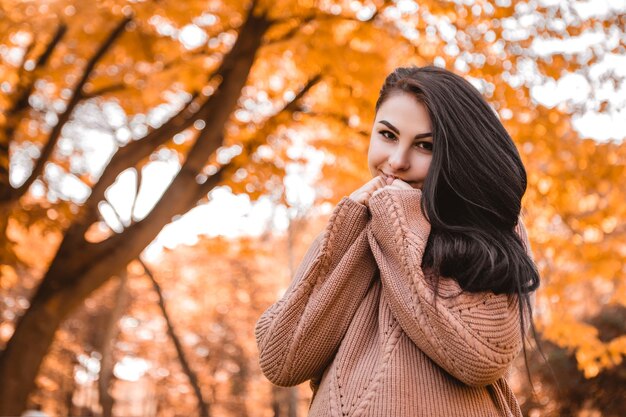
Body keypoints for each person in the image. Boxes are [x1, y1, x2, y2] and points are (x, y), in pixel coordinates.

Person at [255, 65, 540, 416]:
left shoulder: (492, 232)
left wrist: (396, 217)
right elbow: (282, 360)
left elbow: (481, 355)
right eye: (388, 135)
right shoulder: (354, 223)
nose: (397, 161)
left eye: (425, 146)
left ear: (457, 155)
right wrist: (349, 225)